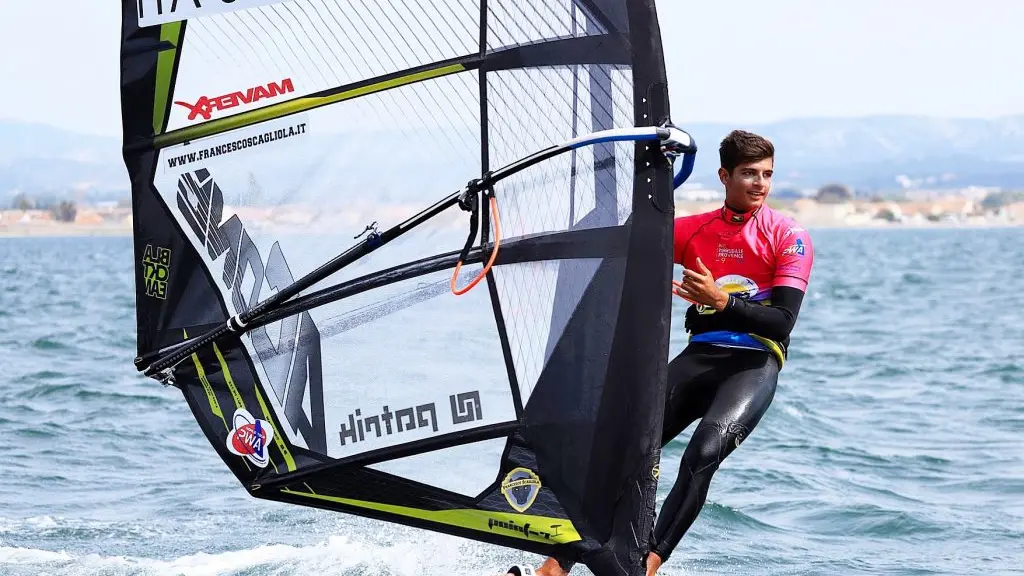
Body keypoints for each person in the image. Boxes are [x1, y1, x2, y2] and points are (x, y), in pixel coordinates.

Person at [517, 129, 815, 576]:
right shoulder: (694, 230)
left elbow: (783, 322)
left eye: (767, 174)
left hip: (753, 364)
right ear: (724, 176)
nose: (760, 184)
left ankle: (649, 563)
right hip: (700, 358)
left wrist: (722, 301)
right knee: (622, 452)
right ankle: (556, 566)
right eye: (749, 174)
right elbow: (624, 244)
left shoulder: (788, 236)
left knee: (702, 455)